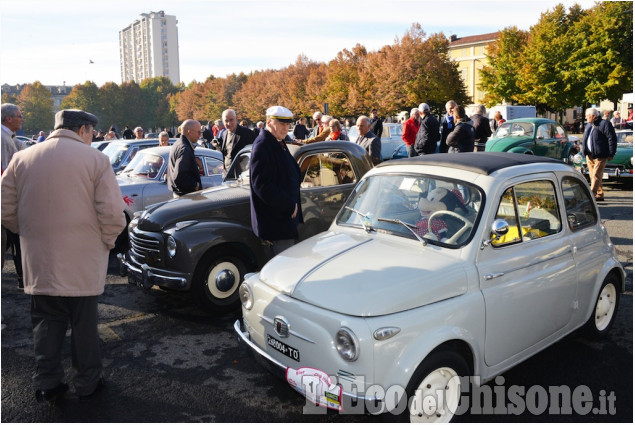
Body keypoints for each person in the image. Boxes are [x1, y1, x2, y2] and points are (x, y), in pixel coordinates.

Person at [1, 109, 126, 402]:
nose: (93, 138)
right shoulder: (96, 160)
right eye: (92, 133)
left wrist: (29, 233)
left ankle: (47, 382)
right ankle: (87, 382)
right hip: (82, 258)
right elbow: (112, 213)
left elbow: (6, 208)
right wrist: (106, 242)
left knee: (45, 322)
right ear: (83, 129)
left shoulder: (23, 157)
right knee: (84, 324)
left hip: (39, 259)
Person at [249, 105, 303, 256]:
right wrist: (289, 206)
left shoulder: (275, 141)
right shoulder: (263, 144)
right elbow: (262, 185)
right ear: (269, 122)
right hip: (277, 221)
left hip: (283, 220)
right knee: (283, 271)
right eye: (281, 124)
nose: (286, 128)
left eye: (287, 124)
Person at [1, 103, 27, 287]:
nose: (22, 119)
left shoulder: (8, 137)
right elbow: (4, 172)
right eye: (19, 116)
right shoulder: (3, 138)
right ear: (8, 118)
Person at [582, 107, 617, 202]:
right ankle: (599, 194)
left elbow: (612, 139)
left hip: (600, 154)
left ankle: (591, 195)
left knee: (596, 175)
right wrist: (584, 151)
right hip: (589, 155)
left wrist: (611, 153)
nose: (586, 118)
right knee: (592, 175)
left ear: (593, 116)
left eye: (587, 116)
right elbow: (585, 138)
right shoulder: (589, 125)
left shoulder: (605, 124)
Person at [166, 119, 203, 197]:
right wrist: (195, 185)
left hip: (179, 193)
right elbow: (180, 176)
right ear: (189, 132)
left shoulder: (178, 144)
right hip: (185, 196)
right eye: (198, 132)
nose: (200, 135)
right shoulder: (184, 148)